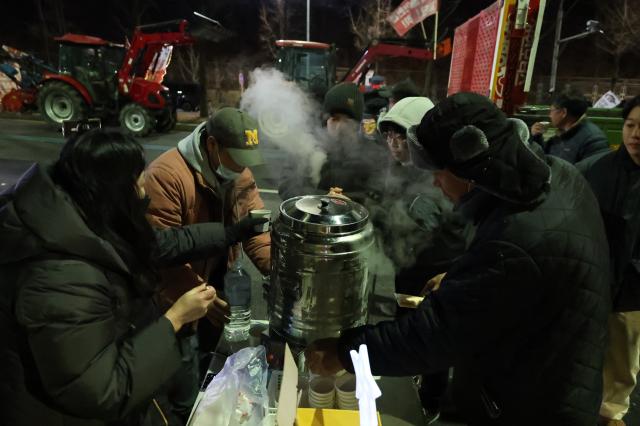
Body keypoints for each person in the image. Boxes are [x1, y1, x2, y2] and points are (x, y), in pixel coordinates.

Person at [306, 92, 611, 425]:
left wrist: (345, 353)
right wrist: (465, 274)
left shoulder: (516, 241)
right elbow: (523, 279)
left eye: (439, 170)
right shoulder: (555, 174)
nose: (433, 181)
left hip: (530, 406)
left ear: (473, 168)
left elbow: (436, 335)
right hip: (556, 375)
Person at [0, 128, 239, 426]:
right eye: (138, 186)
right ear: (113, 190)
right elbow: (101, 390)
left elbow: (155, 244)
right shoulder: (59, 277)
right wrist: (175, 318)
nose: (145, 195)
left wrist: (230, 234)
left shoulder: (85, 215)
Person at [144, 107, 271, 411]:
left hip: (215, 275)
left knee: (211, 362)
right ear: (212, 145)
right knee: (181, 375)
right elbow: (162, 251)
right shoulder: (167, 176)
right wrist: (197, 295)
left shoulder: (239, 174)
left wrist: (276, 269)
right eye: (237, 159)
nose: (242, 168)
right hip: (178, 295)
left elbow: (254, 229)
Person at [579, 95, 640, 426]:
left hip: (632, 294)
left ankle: (611, 417)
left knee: (621, 363)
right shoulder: (597, 168)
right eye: (631, 125)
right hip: (592, 283)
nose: (636, 135)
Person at [278, 82, 385, 203]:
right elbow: (287, 185)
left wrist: (344, 202)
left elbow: (377, 196)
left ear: (357, 124)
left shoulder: (373, 153)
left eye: (347, 120)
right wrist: (325, 199)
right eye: (335, 119)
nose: (339, 127)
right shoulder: (308, 146)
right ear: (326, 120)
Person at [530, 90, 610, 163]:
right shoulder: (562, 132)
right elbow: (545, 161)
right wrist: (537, 138)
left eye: (552, 110)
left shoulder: (594, 140)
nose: (550, 115)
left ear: (564, 112)